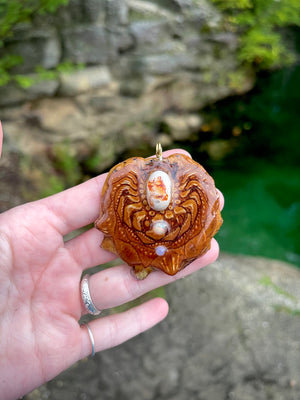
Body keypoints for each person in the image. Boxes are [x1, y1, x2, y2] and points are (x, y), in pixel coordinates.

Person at [0, 121, 224, 400]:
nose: (158, 194)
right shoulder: (124, 192)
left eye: (161, 190)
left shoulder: (194, 197)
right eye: (154, 189)